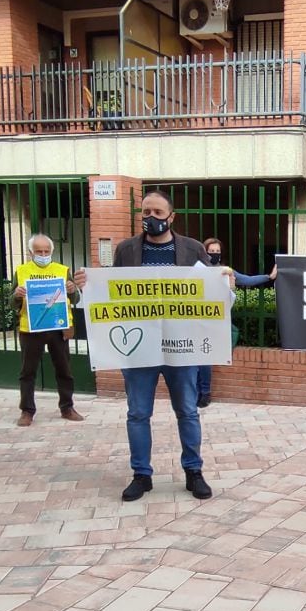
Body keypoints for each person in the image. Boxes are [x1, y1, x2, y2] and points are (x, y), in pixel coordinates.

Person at [74, 190, 214, 502]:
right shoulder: (126, 250)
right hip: (138, 349)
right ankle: (141, 474)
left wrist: (225, 282)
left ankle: (194, 471)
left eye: (158, 212)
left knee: (188, 411)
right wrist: (88, 286)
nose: (151, 218)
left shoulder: (192, 249)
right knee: (138, 413)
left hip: (181, 346)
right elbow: (113, 292)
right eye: (146, 211)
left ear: (171, 217)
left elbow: (210, 292)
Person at [11, 234, 84, 426]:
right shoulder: (21, 271)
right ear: (30, 252)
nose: (43, 254)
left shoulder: (62, 270)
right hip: (31, 328)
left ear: (51, 251)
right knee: (27, 371)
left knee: (64, 369)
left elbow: (75, 299)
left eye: (46, 251)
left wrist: (72, 290)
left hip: (58, 327)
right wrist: (16, 295)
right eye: (38, 251)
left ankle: (67, 407)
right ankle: (27, 411)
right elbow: (12, 303)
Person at [195, 237, 276, 407]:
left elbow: (246, 280)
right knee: (193, 358)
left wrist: (269, 277)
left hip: (216, 320)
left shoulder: (226, 272)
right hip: (196, 319)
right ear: (204, 252)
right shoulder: (197, 270)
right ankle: (194, 392)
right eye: (211, 251)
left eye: (217, 252)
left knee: (204, 357)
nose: (214, 255)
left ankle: (205, 393)